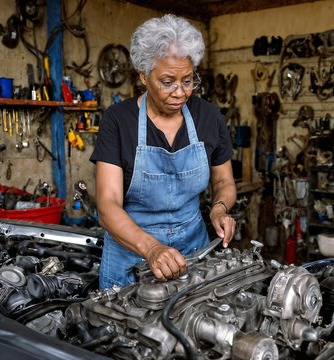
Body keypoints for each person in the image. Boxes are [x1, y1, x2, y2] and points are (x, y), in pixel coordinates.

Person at [90, 14, 237, 288]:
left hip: (195, 253)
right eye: (167, 82)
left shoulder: (208, 117)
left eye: (188, 81)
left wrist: (219, 209)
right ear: (144, 76)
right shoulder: (118, 121)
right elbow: (107, 205)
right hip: (132, 256)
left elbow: (224, 181)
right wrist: (151, 249)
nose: (180, 92)